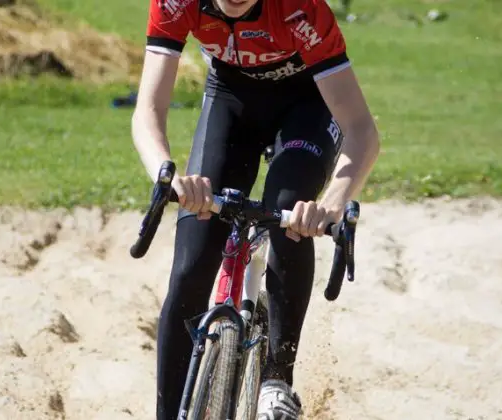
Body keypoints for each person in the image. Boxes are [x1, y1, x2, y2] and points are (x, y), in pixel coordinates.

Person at [131, 0, 380, 418]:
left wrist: (332, 205)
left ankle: (277, 379)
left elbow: (361, 130)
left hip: (306, 109)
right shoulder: (178, 3)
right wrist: (169, 176)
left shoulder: (300, 9)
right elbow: (148, 110)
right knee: (191, 267)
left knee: (288, 209)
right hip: (230, 102)